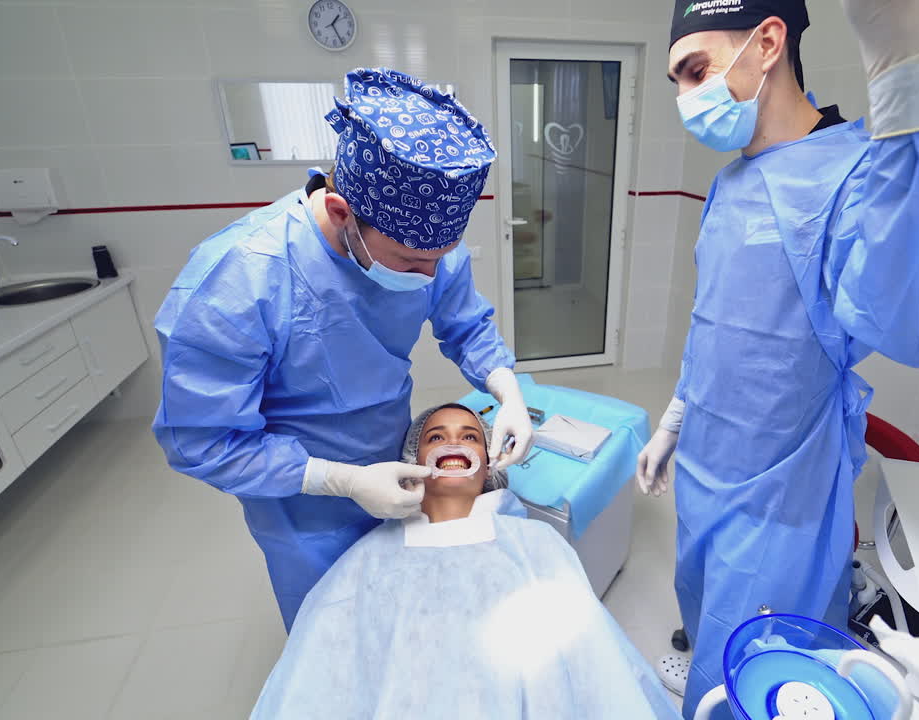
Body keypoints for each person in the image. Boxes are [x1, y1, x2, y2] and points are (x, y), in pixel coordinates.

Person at [635, 1, 919, 716]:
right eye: (676, 80)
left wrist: (907, 77)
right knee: (705, 599)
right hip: (709, 466)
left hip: (780, 494)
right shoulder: (732, 180)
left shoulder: (857, 172)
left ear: (768, 43)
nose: (685, 98)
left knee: (762, 668)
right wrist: (675, 416)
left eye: (695, 71)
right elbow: (719, 324)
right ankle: (705, 656)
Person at [153, 67, 536, 630]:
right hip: (299, 503)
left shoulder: (425, 241)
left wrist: (508, 392)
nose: (430, 274)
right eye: (410, 263)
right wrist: (343, 481)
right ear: (340, 214)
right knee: (332, 628)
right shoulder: (239, 281)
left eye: (442, 256)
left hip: (389, 456)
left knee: (399, 617)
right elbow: (202, 441)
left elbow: (466, 323)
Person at [248, 404, 682, 719]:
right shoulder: (368, 557)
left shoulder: (535, 542)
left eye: (470, 436)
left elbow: (596, 668)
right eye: (436, 437)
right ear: (412, 463)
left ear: (489, 463)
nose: (454, 443)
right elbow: (322, 676)